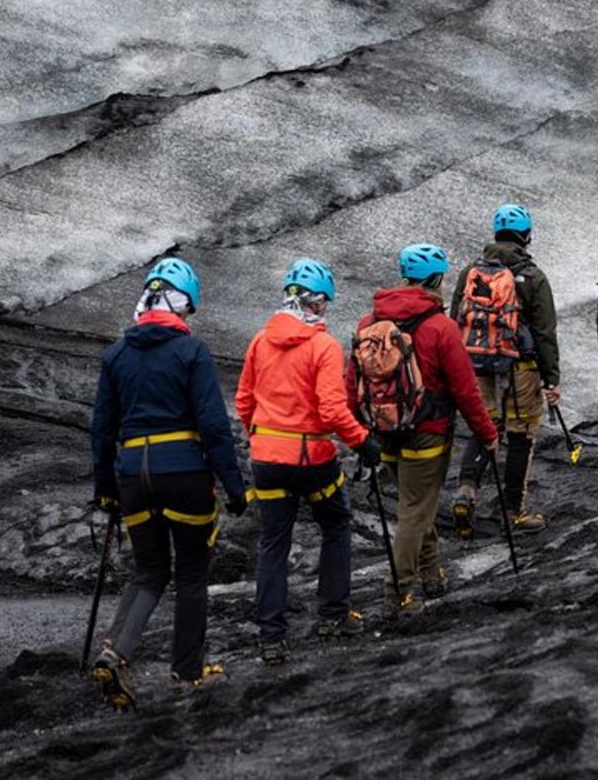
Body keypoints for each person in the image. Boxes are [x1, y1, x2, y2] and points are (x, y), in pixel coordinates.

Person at [89, 257, 247, 710]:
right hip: (184, 473)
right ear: (182, 306)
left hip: (132, 474)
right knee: (191, 574)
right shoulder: (190, 351)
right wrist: (233, 483)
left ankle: (116, 651)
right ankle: (188, 672)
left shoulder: (116, 354)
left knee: (149, 571)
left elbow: (102, 428)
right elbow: (213, 424)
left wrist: (105, 486)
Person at [234, 258, 381, 666]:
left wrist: (260, 438)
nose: (326, 311)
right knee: (335, 524)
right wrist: (363, 441)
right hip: (310, 457)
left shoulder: (260, 342)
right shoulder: (323, 346)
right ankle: (333, 616)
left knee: (273, 544)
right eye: (324, 304)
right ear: (315, 304)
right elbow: (332, 411)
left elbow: (244, 402)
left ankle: (271, 637)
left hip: (266, 458)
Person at [348, 244, 499, 617]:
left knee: (416, 504)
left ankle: (432, 575)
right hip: (427, 434)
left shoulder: (369, 323)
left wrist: (360, 431)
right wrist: (487, 433)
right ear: (436, 279)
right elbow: (466, 390)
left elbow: (352, 381)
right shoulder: (440, 328)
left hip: (385, 431)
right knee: (415, 511)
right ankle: (396, 594)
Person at [449, 204, 561, 537]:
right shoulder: (533, 276)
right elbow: (544, 332)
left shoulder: (472, 271)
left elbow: (457, 318)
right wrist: (551, 378)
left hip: (479, 365)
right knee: (520, 435)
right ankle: (514, 511)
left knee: (485, 428)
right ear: (526, 236)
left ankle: (466, 492)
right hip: (521, 368)